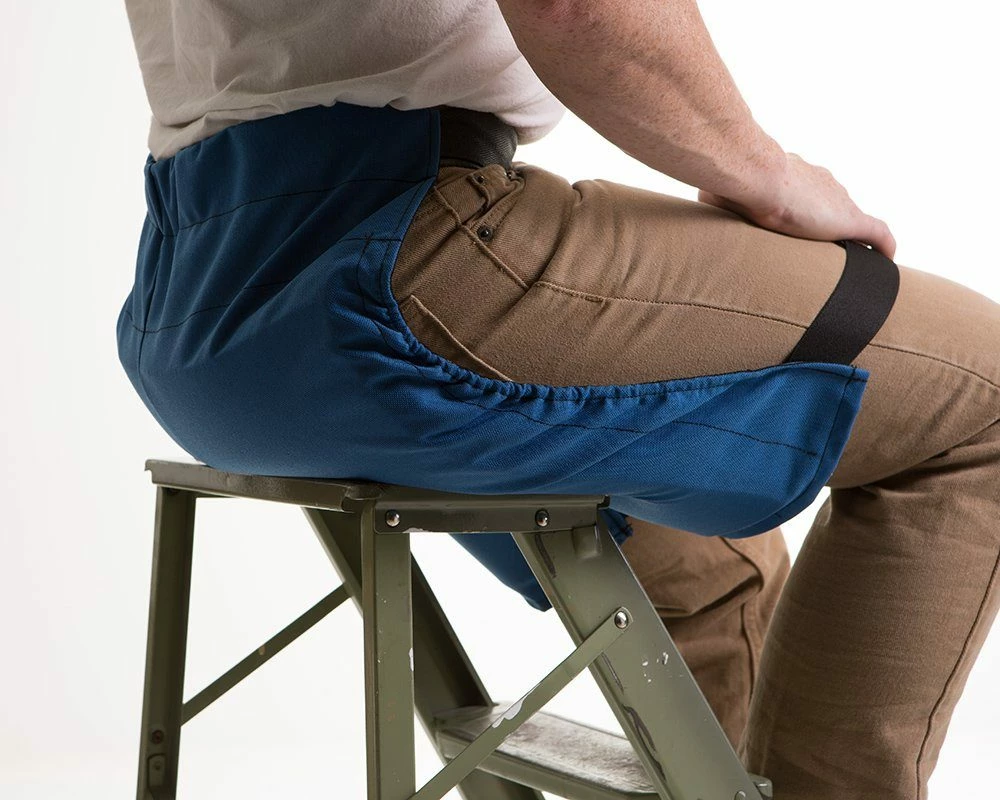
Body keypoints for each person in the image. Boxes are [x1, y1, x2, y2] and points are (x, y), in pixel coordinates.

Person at [117, 1, 1000, 798]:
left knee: (714, 570)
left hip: (199, 313)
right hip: (396, 264)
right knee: (983, 394)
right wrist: (766, 173)